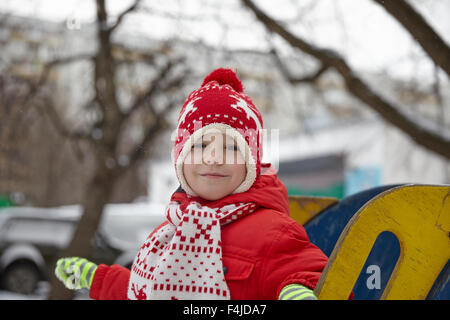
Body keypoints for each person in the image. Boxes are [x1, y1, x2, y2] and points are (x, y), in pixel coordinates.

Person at [55, 68, 329, 300]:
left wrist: (297, 289)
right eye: (199, 145)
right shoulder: (169, 231)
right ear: (180, 158)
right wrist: (97, 278)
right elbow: (148, 290)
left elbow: (311, 273)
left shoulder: (272, 231)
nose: (213, 158)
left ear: (252, 163)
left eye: (232, 148)